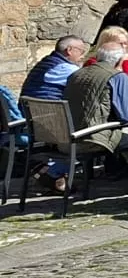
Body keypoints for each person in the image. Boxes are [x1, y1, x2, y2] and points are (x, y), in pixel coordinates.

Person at [64, 28, 128, 180]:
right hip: (93, 138)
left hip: (68, 136)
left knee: (127, 136)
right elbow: (127, 116)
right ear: (120, 60)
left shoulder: (76, 74)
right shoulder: (116, 76)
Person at [20, 36, 87, 191]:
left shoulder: (47, 63)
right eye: (81, 51)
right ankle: (54, 172)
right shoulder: (65, 69)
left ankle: (51, 172)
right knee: (96, 127)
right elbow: (90, 85)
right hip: (51, 126)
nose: (84, 54)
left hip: (34, 121)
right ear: (69, 50)